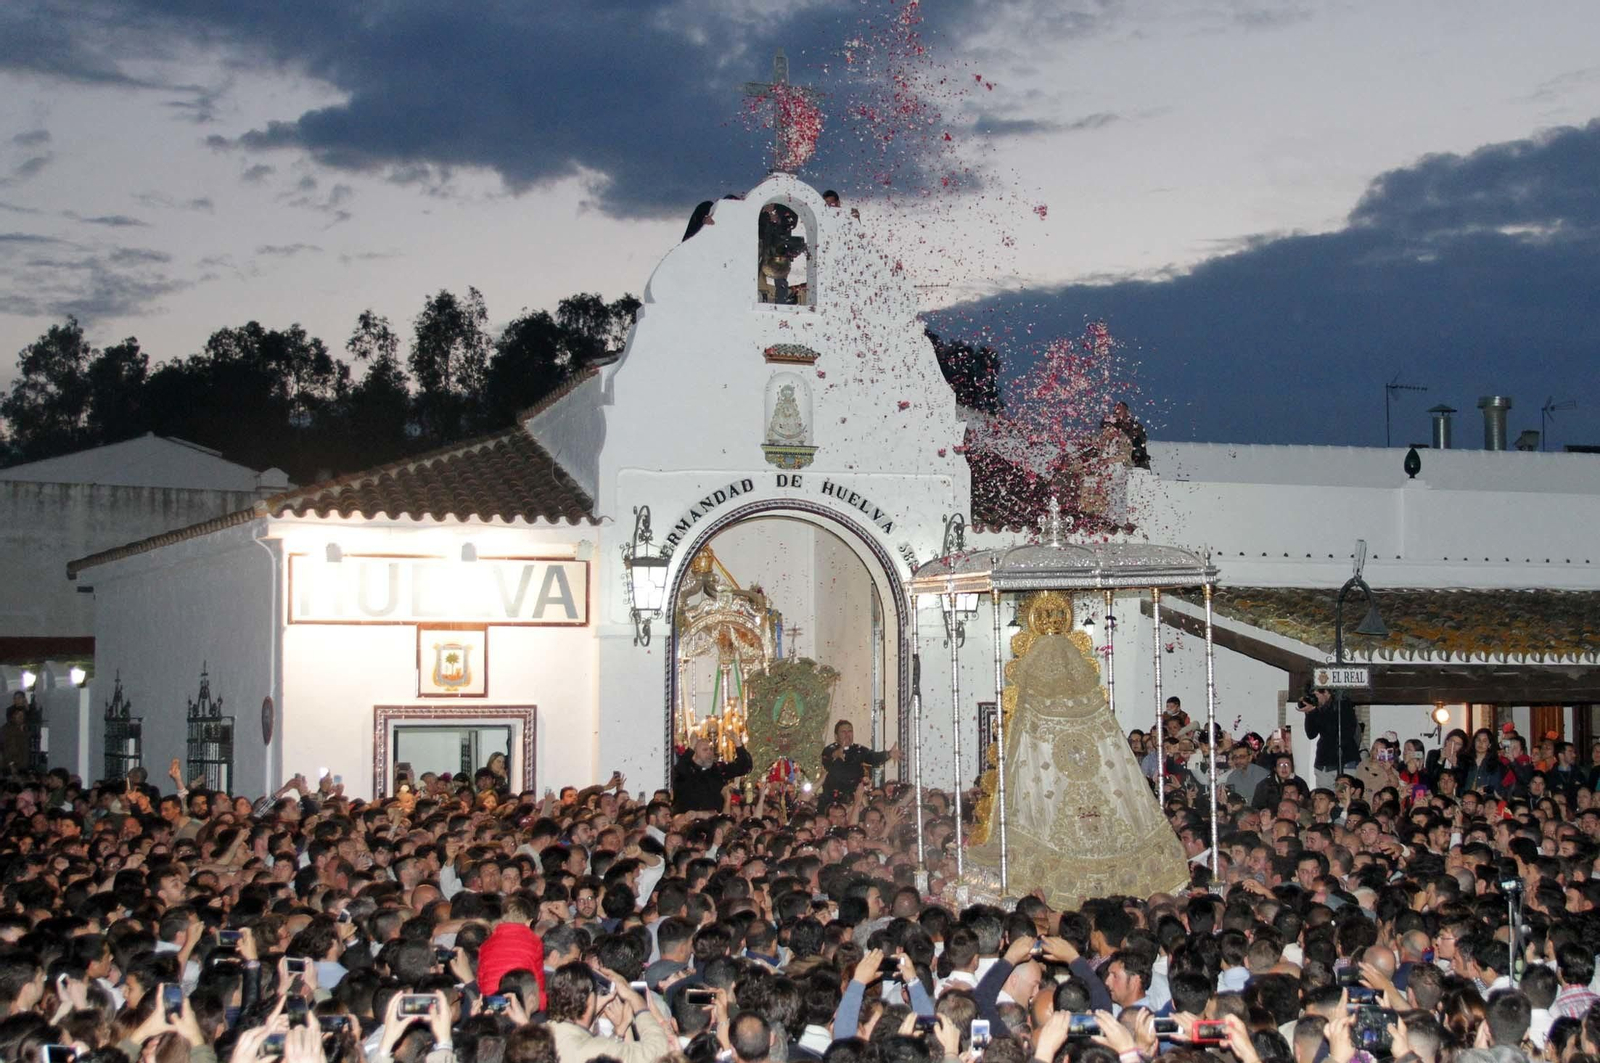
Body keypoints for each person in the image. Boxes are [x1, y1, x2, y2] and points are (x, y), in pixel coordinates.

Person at [819, 720, 898, 807]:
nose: (847, 734)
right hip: (832, 798)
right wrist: (836, 754)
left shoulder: (858, 750)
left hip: (855, 797)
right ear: (836, 736)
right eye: (843, 731)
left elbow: (873, 757)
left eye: (850, 731)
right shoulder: (829, 749)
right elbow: (828, 756)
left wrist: (888, 754)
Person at [671, 734, 752, 813]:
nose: (709, 752)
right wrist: (691, 748)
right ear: (694, 753)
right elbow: (679, 770)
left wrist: (737, 743)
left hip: (714, 821)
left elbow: (744, 767)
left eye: (711, 749)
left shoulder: (718, 769)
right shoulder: (687, 769)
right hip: (689, 821)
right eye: (705, 750)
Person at [1297, 686, 1359, 788]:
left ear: (1326, 692)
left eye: (1316, 695)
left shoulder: (1342, 704)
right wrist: (1309, 713)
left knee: (1344, 797)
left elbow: (1334, 731)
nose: (1315, 699)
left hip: (1344, 761)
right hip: (1324, 764)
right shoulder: (1318, 710)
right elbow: (1311, 734)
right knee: (1324, 798)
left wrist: (1314, 711)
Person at [0, 698, 29, 774]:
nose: (21, 717)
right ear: (12, 716)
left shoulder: (24, 729)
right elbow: (7, 748)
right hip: (12, 766)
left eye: (22, 715)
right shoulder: (7, 729)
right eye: (18, 715)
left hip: (22, 765)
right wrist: (11, 764)